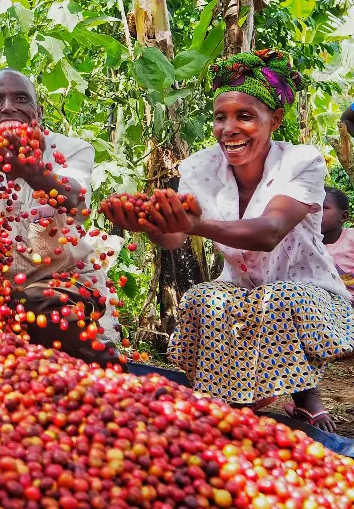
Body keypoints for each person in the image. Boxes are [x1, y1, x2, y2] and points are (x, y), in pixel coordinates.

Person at [102, 49, 354, 432]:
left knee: (281, 297)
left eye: (245, 116)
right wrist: (149, 224)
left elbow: (269, 232)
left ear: (276, 119)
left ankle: (307, 400)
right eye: (220, 117)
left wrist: (195, 225)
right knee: (203, 298)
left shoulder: (301, 162)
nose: (228, 128)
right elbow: (173, 238)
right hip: (239, 290)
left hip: (310, 294)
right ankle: (235, 401)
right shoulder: (200, 168)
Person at [0, 68, 122, 367]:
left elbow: (74, 200)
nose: (8, 107)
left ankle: (107, 366)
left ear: (38, 112)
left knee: (39, 307)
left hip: (65, 284)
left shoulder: (69, 150)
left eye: (21, 98)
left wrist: (28, 169)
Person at [322, 186, 354, 295]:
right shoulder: (306, 246)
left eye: (324, 208)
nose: (315, 213)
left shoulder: (351, 238)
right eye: (311, 209)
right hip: (329, 306)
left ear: (343, 217)